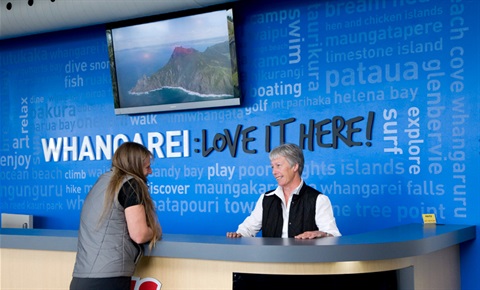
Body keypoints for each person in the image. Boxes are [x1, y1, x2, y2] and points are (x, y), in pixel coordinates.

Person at [70, 142, 162, 290]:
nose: (150, 171)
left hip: (82, 279)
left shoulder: (102, 182)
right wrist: (155, 231)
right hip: (108, 281)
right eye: (146, 167)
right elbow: (139, 234)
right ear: (134, 166)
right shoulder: (131, 184)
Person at [227, 143, 340, 239]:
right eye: (272, 167)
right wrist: (238, 234)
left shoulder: (318, 199)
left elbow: (334, 235)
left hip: (304, 262)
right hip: (271, 261)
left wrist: (322, 234)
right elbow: (248, 228)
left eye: (278, 165)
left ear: (295, 166)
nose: (274, 172)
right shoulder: (266, 198)